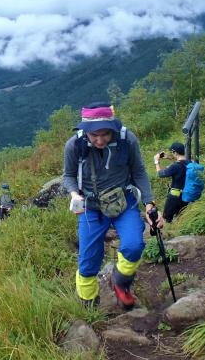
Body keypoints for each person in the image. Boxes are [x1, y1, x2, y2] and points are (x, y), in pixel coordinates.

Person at [63, 102, 163, 309]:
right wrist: (74, 194)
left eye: (105, 134)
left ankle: (121, 281)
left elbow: (139, 172)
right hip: (90, 205)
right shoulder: (74, 145)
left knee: (134, 245)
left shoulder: (127, 140)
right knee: (88, 259)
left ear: (113, 128)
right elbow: (69, 175)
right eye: (94, 135)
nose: (100, 140)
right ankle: (88, 302)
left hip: (123, 201)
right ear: (85, 131)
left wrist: (149, 203)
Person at [154, 142, 189, 223]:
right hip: (186, 196)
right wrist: (169, 158)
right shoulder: (189, 163)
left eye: (172, 152)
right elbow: (180, 163)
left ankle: (168, 233)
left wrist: (156, 161)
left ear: (175, 152)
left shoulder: (175, 167)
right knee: (181, 217)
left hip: (175, 196)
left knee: (166, 218)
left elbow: (160, 174)